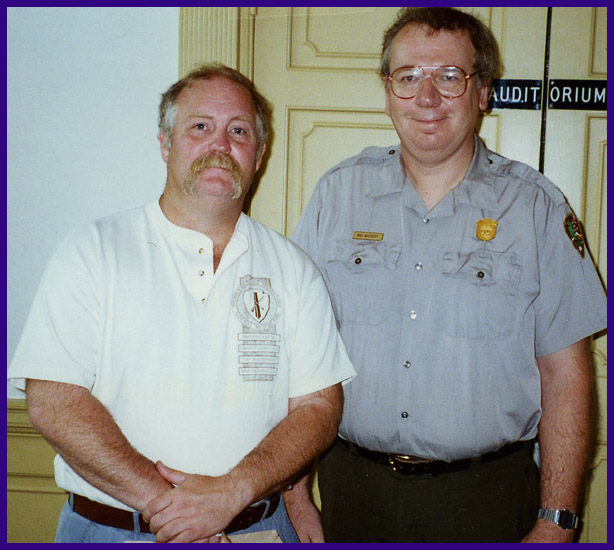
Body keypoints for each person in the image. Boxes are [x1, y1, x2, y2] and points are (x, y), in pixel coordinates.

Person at [292, 7, 607, 544]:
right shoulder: (337, 195)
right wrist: (296, 496)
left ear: (483, 92)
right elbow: (299, 357)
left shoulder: (534, 206)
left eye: (449, 77)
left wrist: (557, 521)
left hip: (488, 500)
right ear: (388, 90)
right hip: (352, 492)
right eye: (408, 77)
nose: (427, 97)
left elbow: (566, 376)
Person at [7, 64, 356, 543]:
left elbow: (318, 406)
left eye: (238, 130)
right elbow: (54, 400)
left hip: (257, 529)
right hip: (115, 531)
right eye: (200, 127)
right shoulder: (93, 250)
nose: (220, 144)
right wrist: (172, 510)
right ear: (166, 143)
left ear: (260, 154)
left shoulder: (294, 269)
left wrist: (232, 494)